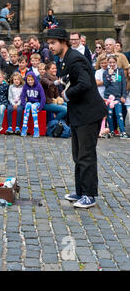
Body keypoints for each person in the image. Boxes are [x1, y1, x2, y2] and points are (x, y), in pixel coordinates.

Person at [47, 28, 108, 209]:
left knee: (86, 155)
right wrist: (61, 83)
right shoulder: (64, 59)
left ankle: (89, 195)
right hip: (78, 113)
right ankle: (81, 191)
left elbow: (84, 82)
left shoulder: (75, 58)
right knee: (77, 154)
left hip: (88, 113)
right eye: (49, 43)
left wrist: (66, 95)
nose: (50, 46)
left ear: (63, 42)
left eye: (53, 43)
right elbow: (71, 78)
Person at [103, 55, 128, 139]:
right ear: (108, 63)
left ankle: (123, 132)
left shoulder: (120, 71)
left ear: (116, 62)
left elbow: (123, 84)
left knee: (119, 114)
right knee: (109, 114)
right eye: (110, 62)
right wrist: (110, 75)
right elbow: (106, 84)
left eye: (113, 62)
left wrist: (123, 95)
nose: (112, 64)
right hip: (108, 97)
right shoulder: (105, 72)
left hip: (117, 98)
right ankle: (112, 131)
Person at [20, 71, 45, 138]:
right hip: (30, 102)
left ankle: (36, 128)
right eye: (28, 80)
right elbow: (22, 96)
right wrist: (24, 105)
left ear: (34, 79)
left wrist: (40, 108)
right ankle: (24, 127)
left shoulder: (38, 86)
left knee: (33, 106)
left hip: (37, 103)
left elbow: (43, 97)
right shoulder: (25, 86)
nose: (30, 81)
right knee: (28, 105)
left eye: (31, 80)